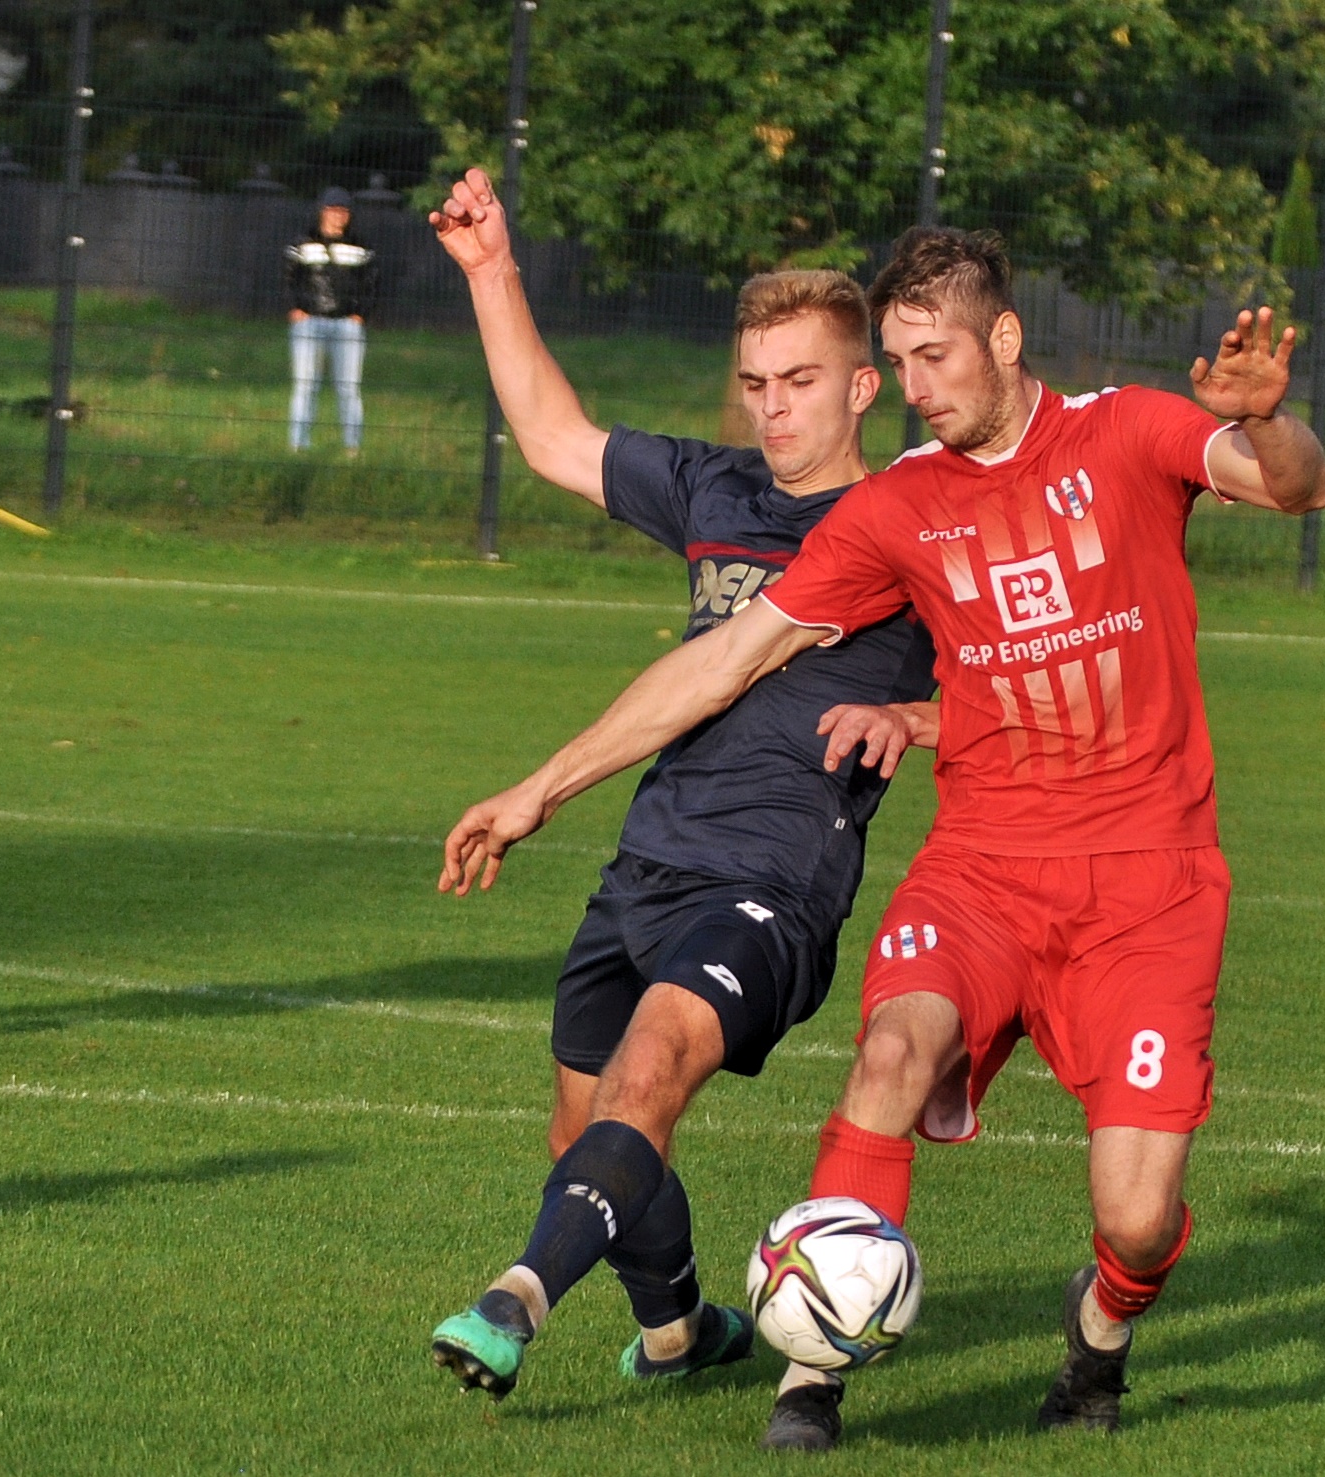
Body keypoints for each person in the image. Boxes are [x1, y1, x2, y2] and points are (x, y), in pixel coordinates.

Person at [438, 225, 1325, 1451]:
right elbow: (729, 656)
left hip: (1148, 881)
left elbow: (1291, 485)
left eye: (931, 356)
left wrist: (1269, 421)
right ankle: (808, 1378)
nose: (914, 387)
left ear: (1001, 338)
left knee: (1132, 1220)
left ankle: (1101, 1335)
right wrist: (544, 785)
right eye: (899, 361)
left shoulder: (1124, 431)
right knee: (887, 1058)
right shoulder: (900, 505)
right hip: (979, 871)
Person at [423, 167, 938, 1402]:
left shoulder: (920, 521)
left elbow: (1029, 661)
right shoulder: (717, 489)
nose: (772, 409)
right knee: (585, 1135)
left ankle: (512, 1299)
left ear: (863, 386)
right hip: (649, 855)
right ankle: (678, 1331)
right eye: (755, 383)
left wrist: (918, 711)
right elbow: (551, 435)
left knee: (647, 1072)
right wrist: (491, 270)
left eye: (800, 382)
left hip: (770, 878)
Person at [283, 186, 375, 453]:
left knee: (348, 388)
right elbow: (288, 279)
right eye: (333, 210)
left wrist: (361, 315)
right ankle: (298, 444)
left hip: (348, 324)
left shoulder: (361, 247)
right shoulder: (302, 244)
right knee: (305, 386)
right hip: (308, 322)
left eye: (344, 211)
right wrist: (294, 309)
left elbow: (371, 283)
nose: (339, 216)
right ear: (322, 212)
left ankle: (352, 447)